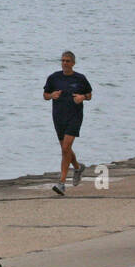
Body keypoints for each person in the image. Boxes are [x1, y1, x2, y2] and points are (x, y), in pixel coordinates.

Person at [43, 50, 92, 195]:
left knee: (65, 148)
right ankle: (77, 168)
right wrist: (52, 95)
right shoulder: (54, 78)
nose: (65, 63)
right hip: (58, 117)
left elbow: (89, 95)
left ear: (73, 63)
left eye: (68, 61)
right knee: (66, 149)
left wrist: (82, 97)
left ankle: (62, 183)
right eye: (63, 60)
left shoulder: (80, 78)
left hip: (75, 116)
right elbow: (45, 95)